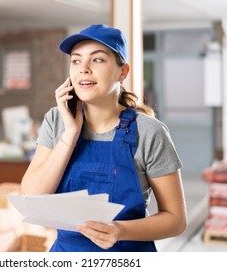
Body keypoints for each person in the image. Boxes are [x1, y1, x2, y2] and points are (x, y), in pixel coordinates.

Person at [21, 24, 187, 252]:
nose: (84, 69)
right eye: (76, 61)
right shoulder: (56, 120)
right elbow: (32, 196)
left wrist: (119, 231)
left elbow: (176, 220)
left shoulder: (149, 131)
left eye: (97, 60)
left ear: (123, 71)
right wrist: (70, 133)